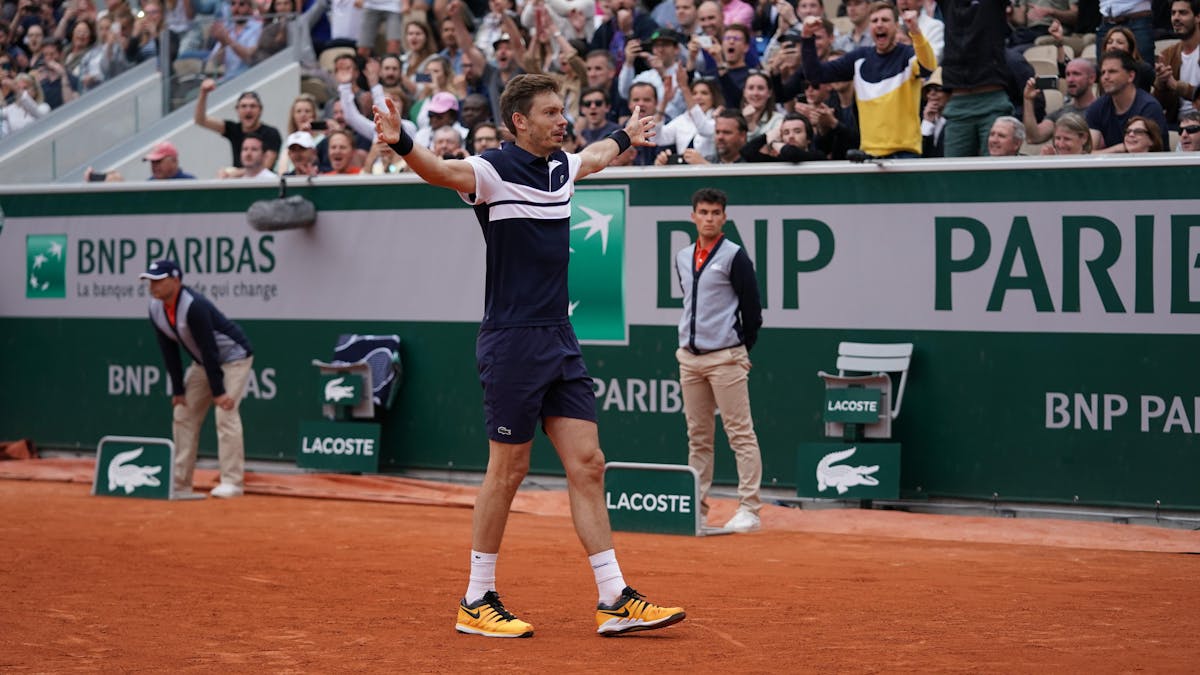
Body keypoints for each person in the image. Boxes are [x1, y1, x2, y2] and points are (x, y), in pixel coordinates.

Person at [373, 72, 685, 638]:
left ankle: (614, 598)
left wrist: (627, 135)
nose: (561, 120)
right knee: (508, 469)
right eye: (550, 113)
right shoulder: (492, 171)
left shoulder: (562, 168)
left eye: (562, 111)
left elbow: (592, 156)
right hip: (512, 339)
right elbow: (440, 172)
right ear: (520, 121)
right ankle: (476, 597)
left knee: (588, 464)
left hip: (560, 338)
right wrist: (400, 141)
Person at [674, 187, 763, 533]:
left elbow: (752, 309)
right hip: (690, 360)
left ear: (724, 218)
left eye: (715, 213)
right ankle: (696, 508)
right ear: (693, 216)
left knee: (740, 434)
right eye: (703, 212)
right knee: (698, 437)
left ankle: (750, 509)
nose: (709, 218)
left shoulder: (735, 256)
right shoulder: (682, 256)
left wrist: (738, 350)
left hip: (726, 358)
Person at [139, 259, 253, 499]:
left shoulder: (194, 306)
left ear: (176, 280)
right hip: (204, 363)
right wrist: (178, 389)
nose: (153, 285)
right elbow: (168, 349)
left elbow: (209, 348)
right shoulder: (155, 308)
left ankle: (232, 482)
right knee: (183, 413)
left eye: (159, 280)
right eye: (150, 280)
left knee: (225, 414)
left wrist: (219, 392)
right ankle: (180, 483)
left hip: (234, 358)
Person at [800, 4, 935, 158]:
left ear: (896, 26)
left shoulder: (907, 55)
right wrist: (807, 37)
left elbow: (928, 67)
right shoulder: (859, 58)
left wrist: (915, 32)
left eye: (885, 20)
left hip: (904, 153)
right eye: (874, 20)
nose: (879, 24)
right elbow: (815, 75)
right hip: (869, 155)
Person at [1086, 50, 1168, 151]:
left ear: (1131, 76)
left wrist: (1116, 150)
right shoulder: (1097, 107)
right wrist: (1119, 149)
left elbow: (1140, 150)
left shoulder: (1149, 107)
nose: (1105, 77)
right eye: (1103, 72)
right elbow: (1088, 153)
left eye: (1112, 71)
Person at [194, 79, 283, 169]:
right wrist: (203, 93)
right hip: (238, 182)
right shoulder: (233, 129)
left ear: (260, 110)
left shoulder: (271, 133)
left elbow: (265, 168)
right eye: (243, 106)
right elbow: (201, 120)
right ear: (237, 110)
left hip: (263, 182)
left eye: (252, 106)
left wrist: (234, 173)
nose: (248, 110)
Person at [1022, 58, 1097, 144]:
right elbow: (1033, 138)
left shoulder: (1103, 110)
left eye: (1076, 74)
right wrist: (1028, 100)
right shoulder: (1060, 113)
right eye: (1067, 75)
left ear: (1091, 78)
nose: (1070, 80)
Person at [1153, 0, 1200, 127]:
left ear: (1197, 17)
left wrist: (1176, 86)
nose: (1176, 18)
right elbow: (1159, 106)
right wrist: (1161, 84)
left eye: (1183, 13)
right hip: (1178, 124)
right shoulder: (1168, 54)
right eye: (1173, 13)